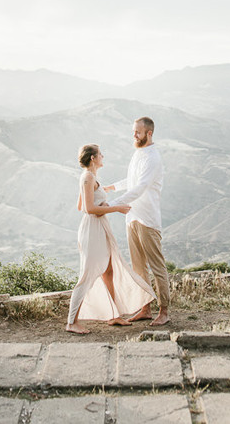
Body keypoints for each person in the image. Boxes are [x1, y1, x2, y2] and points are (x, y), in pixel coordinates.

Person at [66, 143, 155, 335]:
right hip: (92, 229)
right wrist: (116, 208)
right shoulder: (88, 177)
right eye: (100, 154)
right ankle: (71, 322)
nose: (103, 156)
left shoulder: (90, 177)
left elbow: (81, 205)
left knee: (108, 270)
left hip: (98, 228)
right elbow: (89, 209)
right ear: (93, 158)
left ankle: (113, 315)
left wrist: (102, 203)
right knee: (88, 274)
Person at [105, 117, 170, 326]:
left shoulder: (153, 158)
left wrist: (114, 204)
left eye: (137, 132)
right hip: (132, 216)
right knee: (138, 267)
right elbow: (131, 181)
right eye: (133, 131)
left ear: (149, 133)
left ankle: (164, 311)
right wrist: (111, 188)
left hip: (148, 219)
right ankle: (145, 308)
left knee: (157, 267)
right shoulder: (138, 153)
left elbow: (140, 187)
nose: (134, 135)